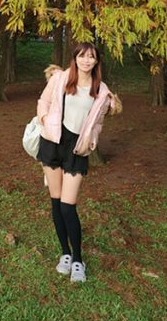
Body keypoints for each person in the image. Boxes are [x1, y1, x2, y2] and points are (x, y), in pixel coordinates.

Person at [36, 41, 121, 283]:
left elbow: (99, 123)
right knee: (55, 202)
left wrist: (92, 141)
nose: (86, 60)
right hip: (53, 143)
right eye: (82, 56)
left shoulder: (101, 91)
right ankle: (64, 253)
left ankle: (77, 260)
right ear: (75, 58)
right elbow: (43, 102)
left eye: (91, 57)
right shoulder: (60, 79)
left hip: (77, 149)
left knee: (68, 206)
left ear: (96, 61)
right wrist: (44, 119)